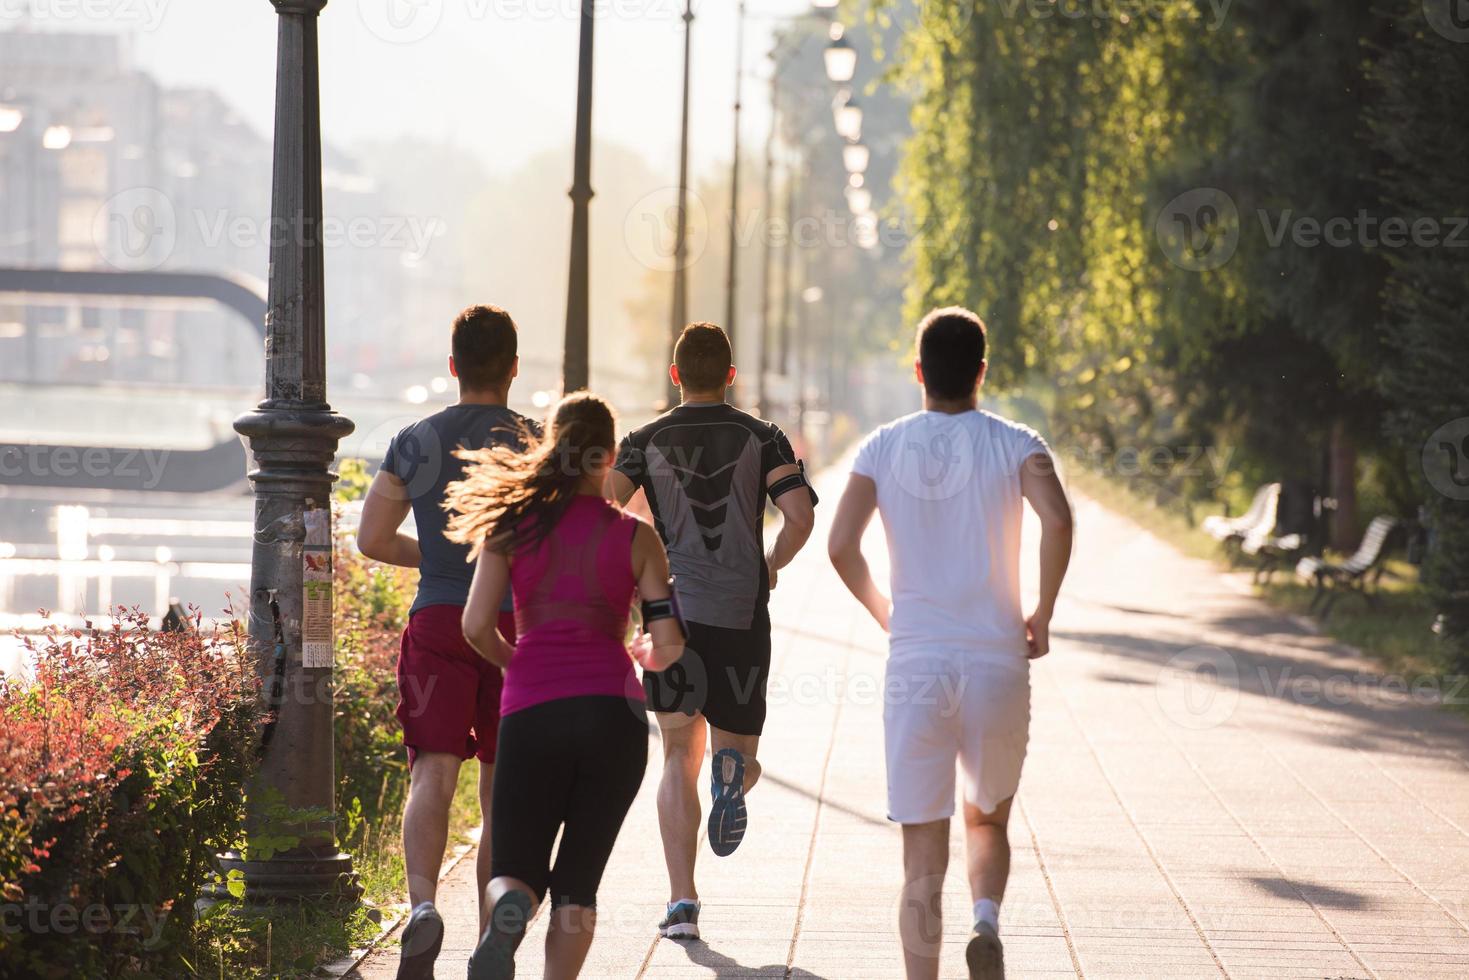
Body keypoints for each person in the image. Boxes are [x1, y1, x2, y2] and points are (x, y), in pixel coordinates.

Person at [826, 307, 1073, 980]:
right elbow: (1056, 520)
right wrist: (1040, 612)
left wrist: (885, 611)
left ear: (917, 373)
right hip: (997, 661)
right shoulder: (1016, 442)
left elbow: (840, 545)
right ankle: (985, 919)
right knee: (986, 823)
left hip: (916, 665)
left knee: (920, 861)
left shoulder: (881, 446)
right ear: (981, 374)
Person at [448, 392, 684, 980]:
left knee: (517, 865)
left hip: (533, 711)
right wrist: (644, 656)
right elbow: (670, 643)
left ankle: (510, 903)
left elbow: (475, 626)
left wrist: (515, 663)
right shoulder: (637, 538)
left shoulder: (513, 527)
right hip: (615, 717)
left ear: (552, 447)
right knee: (579, 881)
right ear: (609, 457)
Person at [605, 321, 818, 941]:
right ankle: (732, 773)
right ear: (731, 375)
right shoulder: (763, 437)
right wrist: (770, 567)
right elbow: (799, 515)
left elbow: (600, 513)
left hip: (671, 617)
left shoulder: (644, 441)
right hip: (742, 616)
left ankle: (681, 904)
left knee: (675, 756)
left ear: (676, 376)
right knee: (740, 757)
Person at [356, 304, 537, 980]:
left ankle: (424, 907)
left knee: (432, 770)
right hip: (515, 631)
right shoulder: (541, 445)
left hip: (437, 620)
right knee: (500, 788)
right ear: (513, 368)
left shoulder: (415, 439)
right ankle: (491, 934)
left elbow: (371, 539)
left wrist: (437, 560)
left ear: (454, 365)